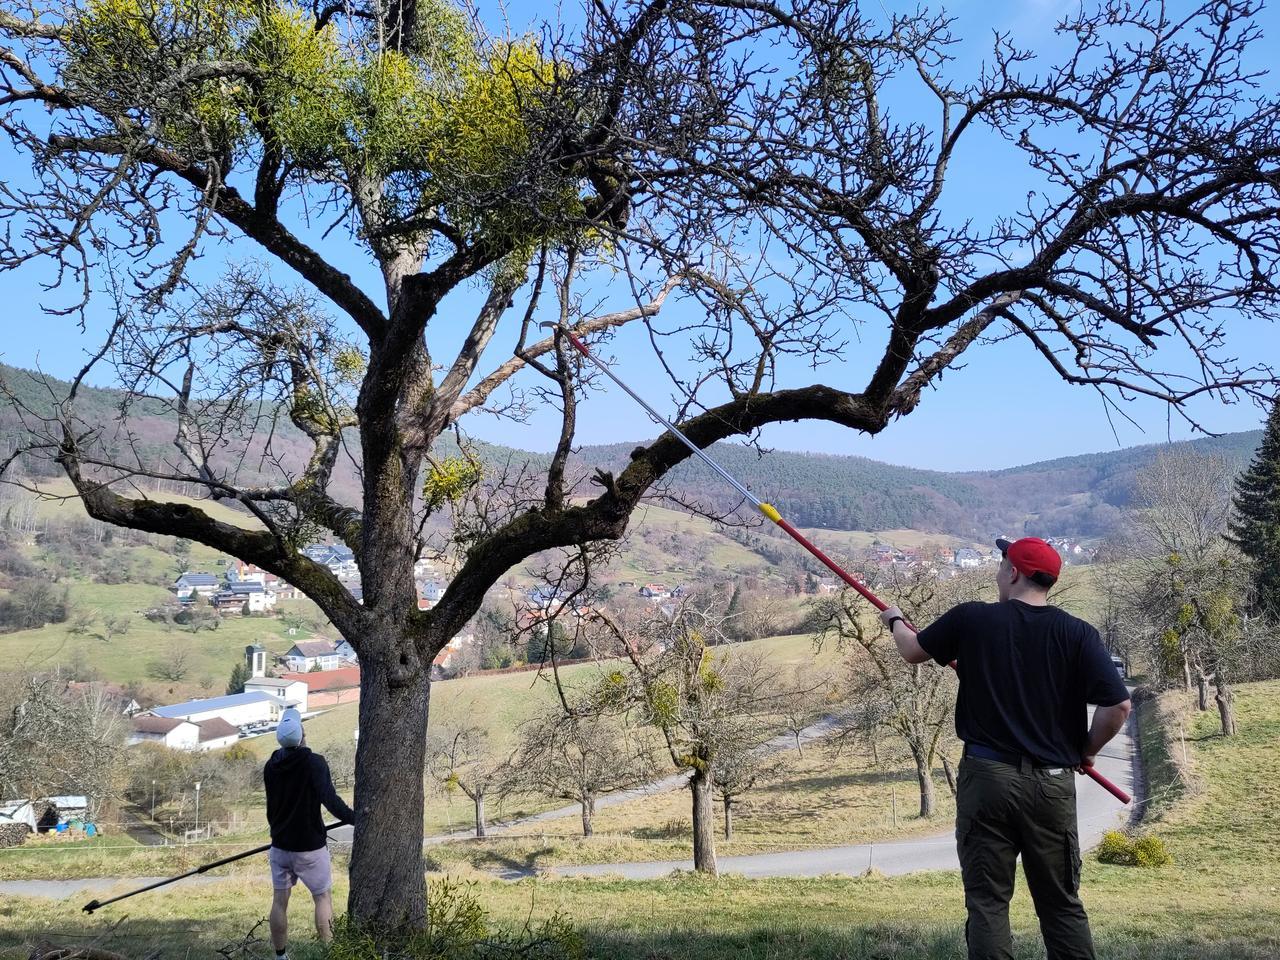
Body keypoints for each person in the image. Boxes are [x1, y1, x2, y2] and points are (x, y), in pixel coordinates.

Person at [879, 536, 1131, 960]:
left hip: (987, 777)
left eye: (1001, 566)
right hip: (1052, 782)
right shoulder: (1078, 633)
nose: (998, 573)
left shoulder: (973, 619)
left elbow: (911, 650)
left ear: (1013, 572)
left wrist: (895, 619)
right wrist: (1086, 750)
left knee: (988, 903)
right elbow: (1118, 705)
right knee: (1061, 904)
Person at [263, 707, 356, 960]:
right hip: (310, 847)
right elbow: (330, 800)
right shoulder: (314, 763)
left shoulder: (271, 766)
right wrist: (356, 818)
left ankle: (280, 956)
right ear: (302, 735)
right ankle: (330, 952)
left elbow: (273, 808)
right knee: (322, 898)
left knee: (280, 901)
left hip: (280, 846)